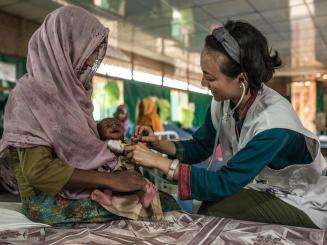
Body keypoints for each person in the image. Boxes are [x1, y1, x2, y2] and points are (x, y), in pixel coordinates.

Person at [125, 21, 327, 229]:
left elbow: (226, 182)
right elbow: (201, 146)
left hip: (298, 198)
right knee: (210, 203)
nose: (203, 83)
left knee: (213, 210)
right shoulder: (224, 104)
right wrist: (158, 143)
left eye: (210, 77)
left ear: (241, 79)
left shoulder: (274, 124)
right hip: (263, 186)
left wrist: (158, 162)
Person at [0, 6, 178, 227]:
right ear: (63, 47)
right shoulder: (28, 96)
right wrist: (112, 180)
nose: (90, 61)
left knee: (148, 192)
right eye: (87, 50)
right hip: (46, 200)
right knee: (163, 204)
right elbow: (39, 172)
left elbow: (62, 139)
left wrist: (97, 129)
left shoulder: (69, 93)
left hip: (74, 188)